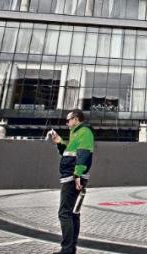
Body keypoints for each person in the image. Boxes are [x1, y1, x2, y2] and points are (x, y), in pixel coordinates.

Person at [49, 109, 94, 254]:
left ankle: (67, 250)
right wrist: (59, 142)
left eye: (68, 120)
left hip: (72, 178)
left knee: (65, 213)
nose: (67, 123)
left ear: (76, 119)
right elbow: (69, 153)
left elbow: (83, 154)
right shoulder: (75, 133)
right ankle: (70, 249)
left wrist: (77, 175)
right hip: (72, 177)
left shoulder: (84, 132)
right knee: (73, 213)